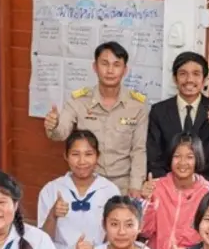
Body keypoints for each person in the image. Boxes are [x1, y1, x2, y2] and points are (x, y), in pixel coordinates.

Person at [44, 41, 148, 197]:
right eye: (104, 64)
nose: (110, 70)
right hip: (88, 181)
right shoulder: (79, 101)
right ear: (95, 67)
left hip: (123, 184)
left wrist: (136, 185)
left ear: (125, 70)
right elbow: (61, 133)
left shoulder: (137, 106)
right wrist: (53, 126)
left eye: (116, 65)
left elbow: (138, 150)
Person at [147, 52, 209, 188]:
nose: (189, 80)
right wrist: (163, 186)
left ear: (204, 80)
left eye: (196, 74)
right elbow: (154, 154)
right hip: (169, 182)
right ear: (175, 78)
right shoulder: (159, 111)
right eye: (183, 74)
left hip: (207, 183)